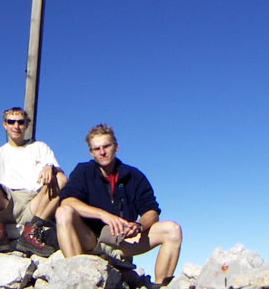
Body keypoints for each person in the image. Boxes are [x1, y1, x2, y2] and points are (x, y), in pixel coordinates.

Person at [56, 123, 182, 287]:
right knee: (63, 212)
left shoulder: (134, 175)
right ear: (91, 152)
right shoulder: (83, 171)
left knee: (173, 229)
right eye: (96, 148)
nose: (102, 152)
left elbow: (151, 210)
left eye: (106, 146)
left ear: (116, 146)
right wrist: (103, 215)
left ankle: (161, 285)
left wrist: (139, 225)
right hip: (90, 239)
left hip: (123, 241)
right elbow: (67, 200)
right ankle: (77, 281)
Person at [0, 106, 67, 257]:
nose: (16, 126)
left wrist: (51, 167)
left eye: (20, 122)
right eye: (11, 122)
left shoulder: (39, 147)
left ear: (26, 125)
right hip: (8, 202)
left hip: (35, 203)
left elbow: (61, 176)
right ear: (5, 124)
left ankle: (31, 233)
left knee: (61, 178)